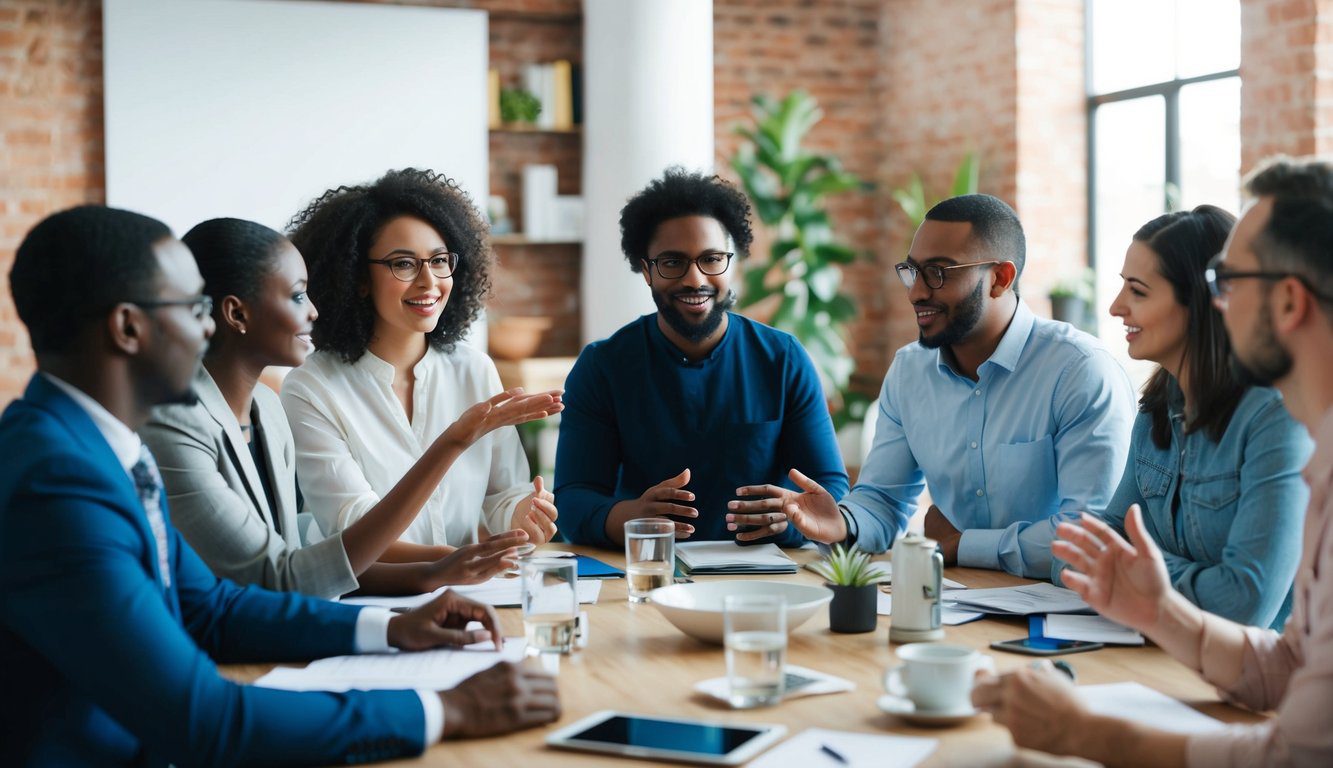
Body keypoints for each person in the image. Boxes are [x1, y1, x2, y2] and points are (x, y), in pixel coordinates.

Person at [0, 206, 559, 766]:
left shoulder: (94, 449)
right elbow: (203, 719)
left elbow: (211, 608)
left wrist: (391, 629)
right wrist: (442, 711)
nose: (207, 326)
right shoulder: (56, 483)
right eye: (193, 307)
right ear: (127, 328)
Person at [974, 156, 1333, 766]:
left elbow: (1297, 751)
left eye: (1229, 283)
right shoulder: (1317, 464)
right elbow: (1291, 665)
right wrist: (1161, 609)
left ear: (1290, 303)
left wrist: (1084, 734)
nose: (1219, 304)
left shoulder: (1289, 435)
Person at [729, 194, 1135, 579]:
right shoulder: (910, 371)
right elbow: (883, 500)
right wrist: (843, 522)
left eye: (938, 273)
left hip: (1065, 614)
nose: (917, 292)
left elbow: (1089, 538)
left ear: (999, 278)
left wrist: (962, 546)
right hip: (958, 599)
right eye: (912, 271)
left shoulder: (1080, 372)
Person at [142, 218, 548, 599]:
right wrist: (453, 444)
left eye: (440, 261)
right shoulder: (177, 425)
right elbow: (279, 578)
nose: (313, 310)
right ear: (236, 313)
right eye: (298, 295)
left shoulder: (266, 408)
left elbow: (296, 561)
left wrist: (439, 572)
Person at [553, 168, 848, 547]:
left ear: (732, 262)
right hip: (648, 571)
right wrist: (631, 517)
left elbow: (829, 486)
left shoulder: (783, 359)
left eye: (711, 259)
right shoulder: (604, 367)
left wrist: (787, 521)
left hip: (764, 573)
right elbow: (574, 498)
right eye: (673, 262)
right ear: (646, 270)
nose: (695, 279)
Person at [281, 168, 562, 551]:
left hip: (468, 589)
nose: (429, 282)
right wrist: (453, 565)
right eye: (404, 263)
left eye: (439, 260)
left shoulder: (474, 370)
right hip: (366, 600)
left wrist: (524, 514)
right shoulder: (312, 387)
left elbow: (501, 495)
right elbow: (352, 533)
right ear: (358, 277)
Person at [1067, 206, 1310, 627]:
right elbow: (1082, 555)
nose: (1115, 307)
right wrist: (1146, 573)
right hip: (1168, 654)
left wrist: (1140, 572)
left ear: (1201, 302)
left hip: (1266, 679)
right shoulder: (1157, 409)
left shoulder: (1277, 417)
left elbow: (1246, 603)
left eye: (1138, 292)